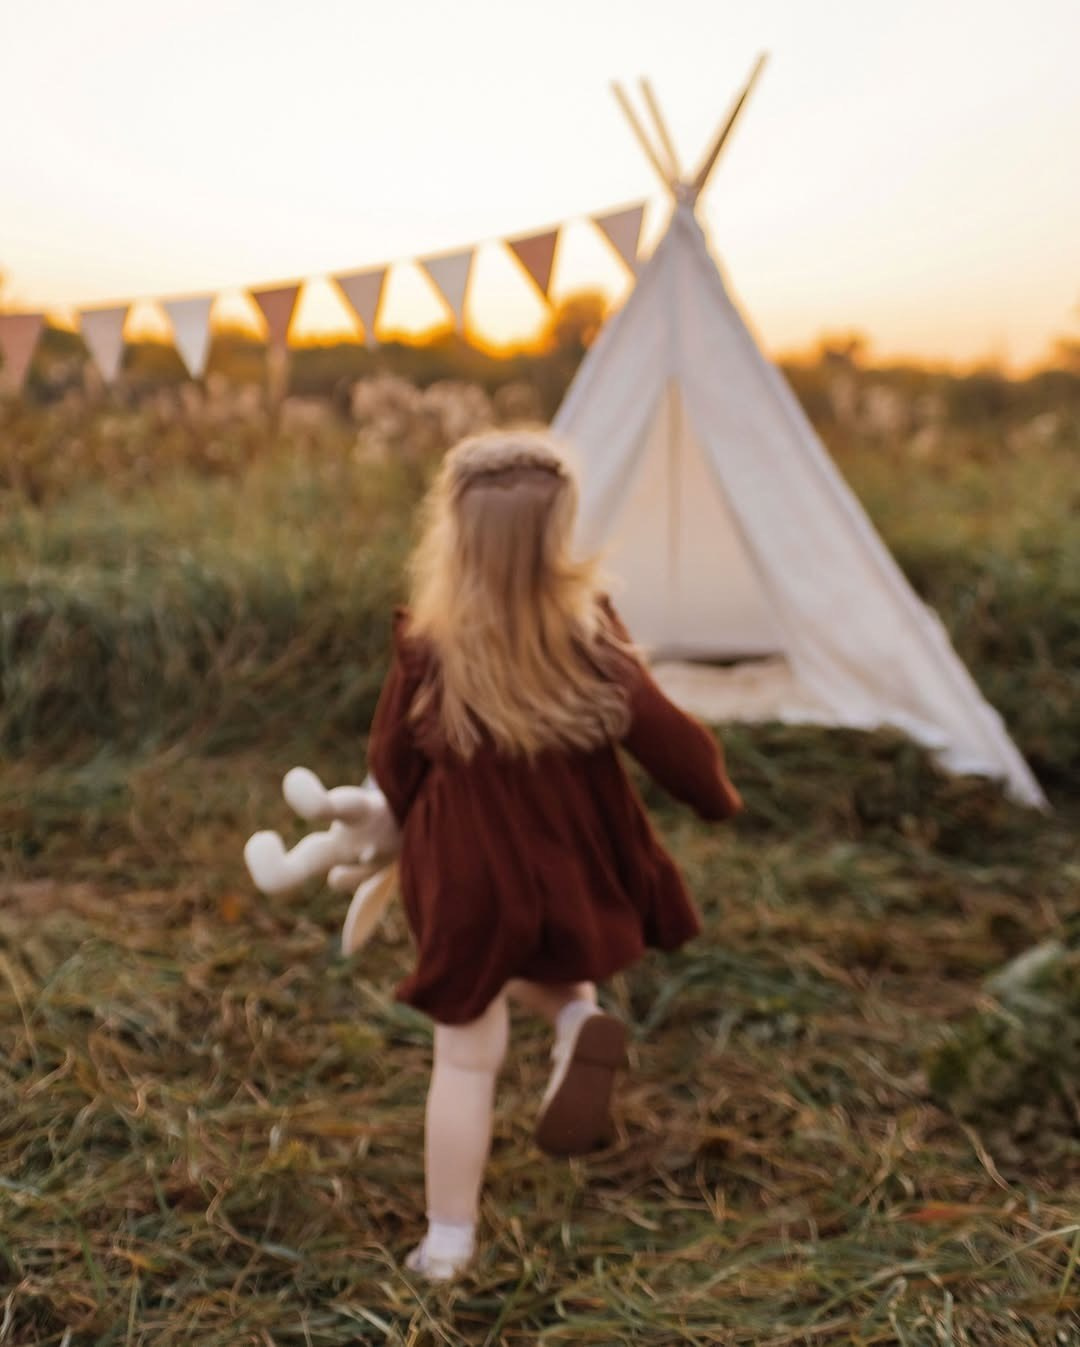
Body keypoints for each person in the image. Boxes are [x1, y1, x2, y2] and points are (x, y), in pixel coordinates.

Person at [367, 428, 742, 1282]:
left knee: (466, 1050)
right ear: (560, 535)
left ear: (453, 536)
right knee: (555, 949)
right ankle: (577, 1020)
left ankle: (449, 1241)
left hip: (465, 870)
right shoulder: (593, 632)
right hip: (570, 852)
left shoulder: (429, 643)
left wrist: (384, 825)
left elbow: (393, 759)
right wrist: (715, 795)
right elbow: (669, 736)